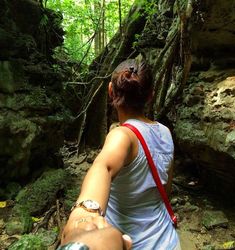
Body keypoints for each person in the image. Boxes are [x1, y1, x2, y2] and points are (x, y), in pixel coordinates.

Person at [61, 58, 181, 249]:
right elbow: (165, 189)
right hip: (167, 241)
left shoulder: (121, 135)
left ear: (110, 90)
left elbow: (104, 167)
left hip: (130, 243)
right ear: (151, 95)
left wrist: (84, 214)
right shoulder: (165, 132)